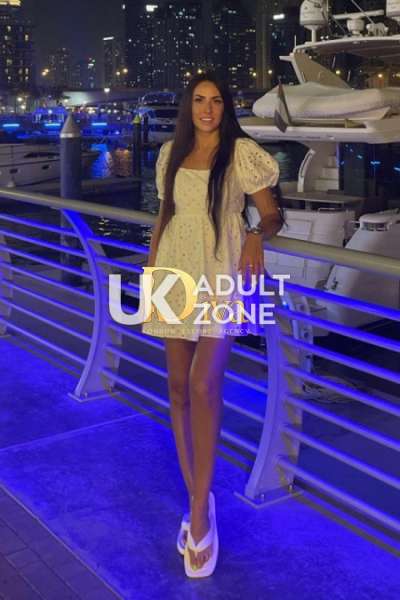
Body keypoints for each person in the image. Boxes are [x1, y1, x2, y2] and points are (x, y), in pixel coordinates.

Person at [141, 71, 283, 578]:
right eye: (199, 100)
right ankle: (196, 498)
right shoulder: (171, 154)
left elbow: (271, 214)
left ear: (226, 107)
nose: (207, 108)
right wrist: (151, 274)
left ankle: (201, 511)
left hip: (221, 272)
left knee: (204, 385)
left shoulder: (240, 153)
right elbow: (165, 216)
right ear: (189, 106)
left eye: (216, 100)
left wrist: (256, 236)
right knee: (178, 387)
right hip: (173, 274)